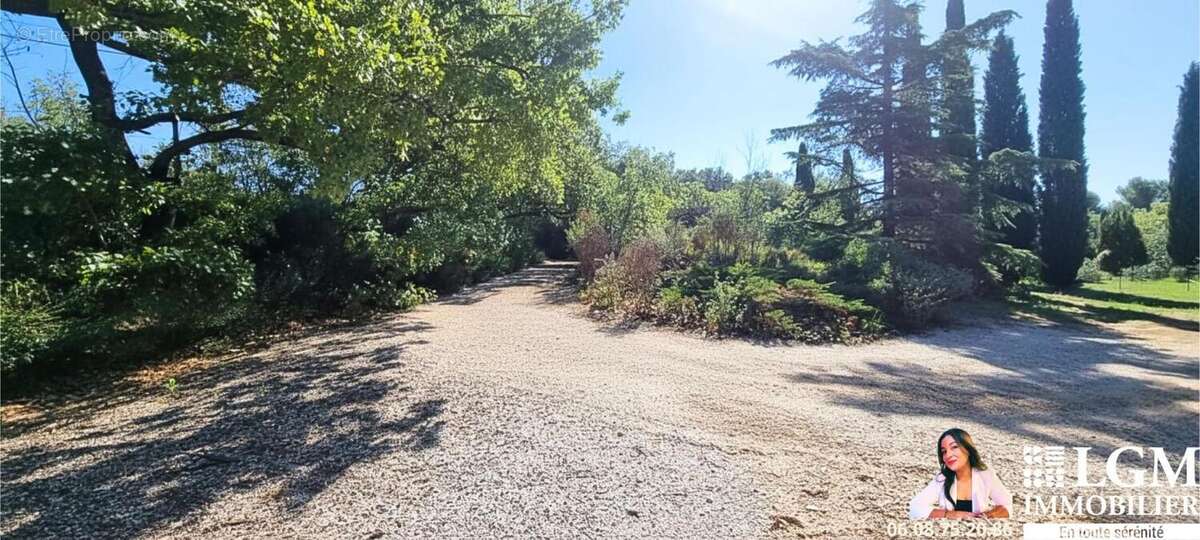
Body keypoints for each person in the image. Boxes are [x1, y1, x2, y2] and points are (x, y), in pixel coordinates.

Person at [908, 428, 1011, 520]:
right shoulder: (942, 478)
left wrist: (988, 515)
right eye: (944, 451)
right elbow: (915, 507)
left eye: (954, 447)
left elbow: (1007, 505)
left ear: (968, 448)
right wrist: (950, 514)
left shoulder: (985, 475)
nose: (948, 455)